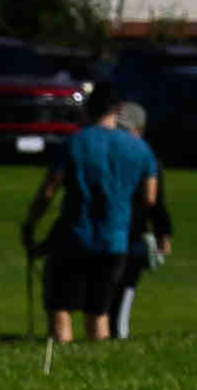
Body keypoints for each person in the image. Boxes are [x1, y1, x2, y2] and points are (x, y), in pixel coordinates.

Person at [33, 94, 169, 349]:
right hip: (115, 241)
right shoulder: (140, 149)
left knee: (61, 308)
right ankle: (99, 361)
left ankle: (62, 360)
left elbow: (49, 191)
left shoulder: (75, 143)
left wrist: (31, 223)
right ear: (117, 110)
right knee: (99, 311)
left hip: (74, 236)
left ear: (88, 110)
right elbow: (150, 198)